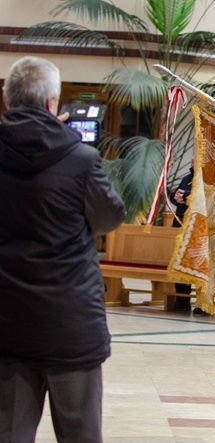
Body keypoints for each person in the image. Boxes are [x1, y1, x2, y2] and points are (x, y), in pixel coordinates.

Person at [0, 56, 126, 442]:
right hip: (70, 322)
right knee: (80, 434)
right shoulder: (80, 159)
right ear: (54, 103)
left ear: (7, 100)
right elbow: (109, 218)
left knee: (9, 433)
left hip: (7, 320)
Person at [169, 158, 198, 313]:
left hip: (197, 227)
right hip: (180, 224)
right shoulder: (186, 178)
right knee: (179, 262)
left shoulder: (207, 176)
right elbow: (178, 198)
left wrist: (186, 196)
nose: (192, 159)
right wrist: (177, 198)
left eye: (195, 158)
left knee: (198, 264)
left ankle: (202, 304)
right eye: (191, 158)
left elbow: (204, 196)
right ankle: (182, 301)